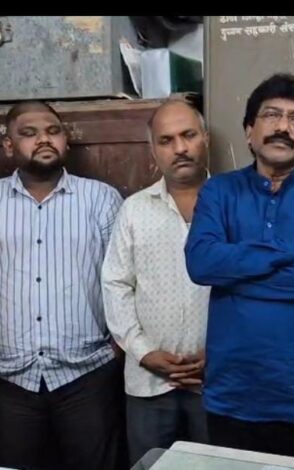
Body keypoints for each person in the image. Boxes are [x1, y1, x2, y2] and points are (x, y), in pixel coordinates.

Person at [185, 73, 294, 463]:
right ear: (249, 131)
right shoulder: (219, 191)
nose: (282, 126)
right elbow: (201, 263)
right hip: (232, 394)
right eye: (271, 115)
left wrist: (235, 275)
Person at [0, 101, 124, 470]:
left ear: (65, 141)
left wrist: (118, 348)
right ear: (9, 146)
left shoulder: (100, 198)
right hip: (8, 376)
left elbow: (123, 278)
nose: (44, 139)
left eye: (53, 131)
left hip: (87, 373)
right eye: (29, 133)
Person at [103, 99, 211, 465]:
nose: (180, 148)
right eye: (166, 140)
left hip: (215, 380)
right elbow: (116, 285)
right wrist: (144, 352)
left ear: (206, 138)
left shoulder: (231, 204)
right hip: (148, 383)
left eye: (188, 135)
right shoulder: (134, 209)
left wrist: (220, 354)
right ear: (153, 150)